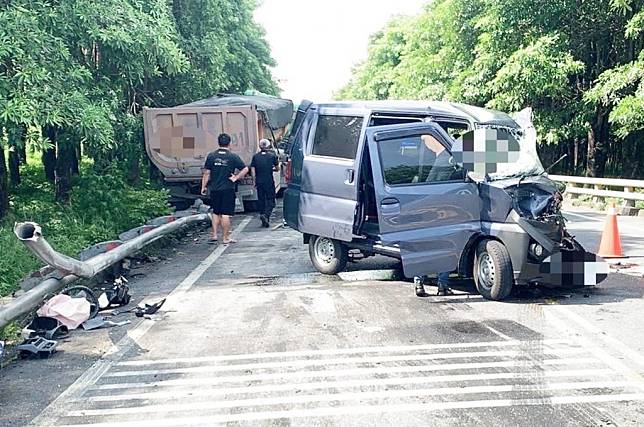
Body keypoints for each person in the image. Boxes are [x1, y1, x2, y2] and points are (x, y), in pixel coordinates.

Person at [416, 134, 454, 296]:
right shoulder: (445, 159)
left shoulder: (446, 159)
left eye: (425, 141)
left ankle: (420, 283)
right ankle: (442, 285)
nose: (425, 145)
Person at [201, 133, 248, 244]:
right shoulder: (232, 156)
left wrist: (203, 187)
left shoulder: (211, 156)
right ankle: (226, 237)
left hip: (215, 189)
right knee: (225, 213)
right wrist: (236, 177)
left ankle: (214, 235)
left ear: (218, 142)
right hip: (228, 188)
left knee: (216, 212)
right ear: (229, 143)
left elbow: (207, 173)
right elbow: (245, 169)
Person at [250, 138, 279, 227]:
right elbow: (277, 168)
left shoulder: (255, 157)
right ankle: (266, 215)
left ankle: (262, 214)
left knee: (261, 199)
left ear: (260, 146)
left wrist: (254, 181)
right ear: (268, 146)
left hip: (259, 181)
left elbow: (253, 170)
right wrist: (272, 168)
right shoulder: (272, 156)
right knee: (271, 200)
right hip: (269, 181)